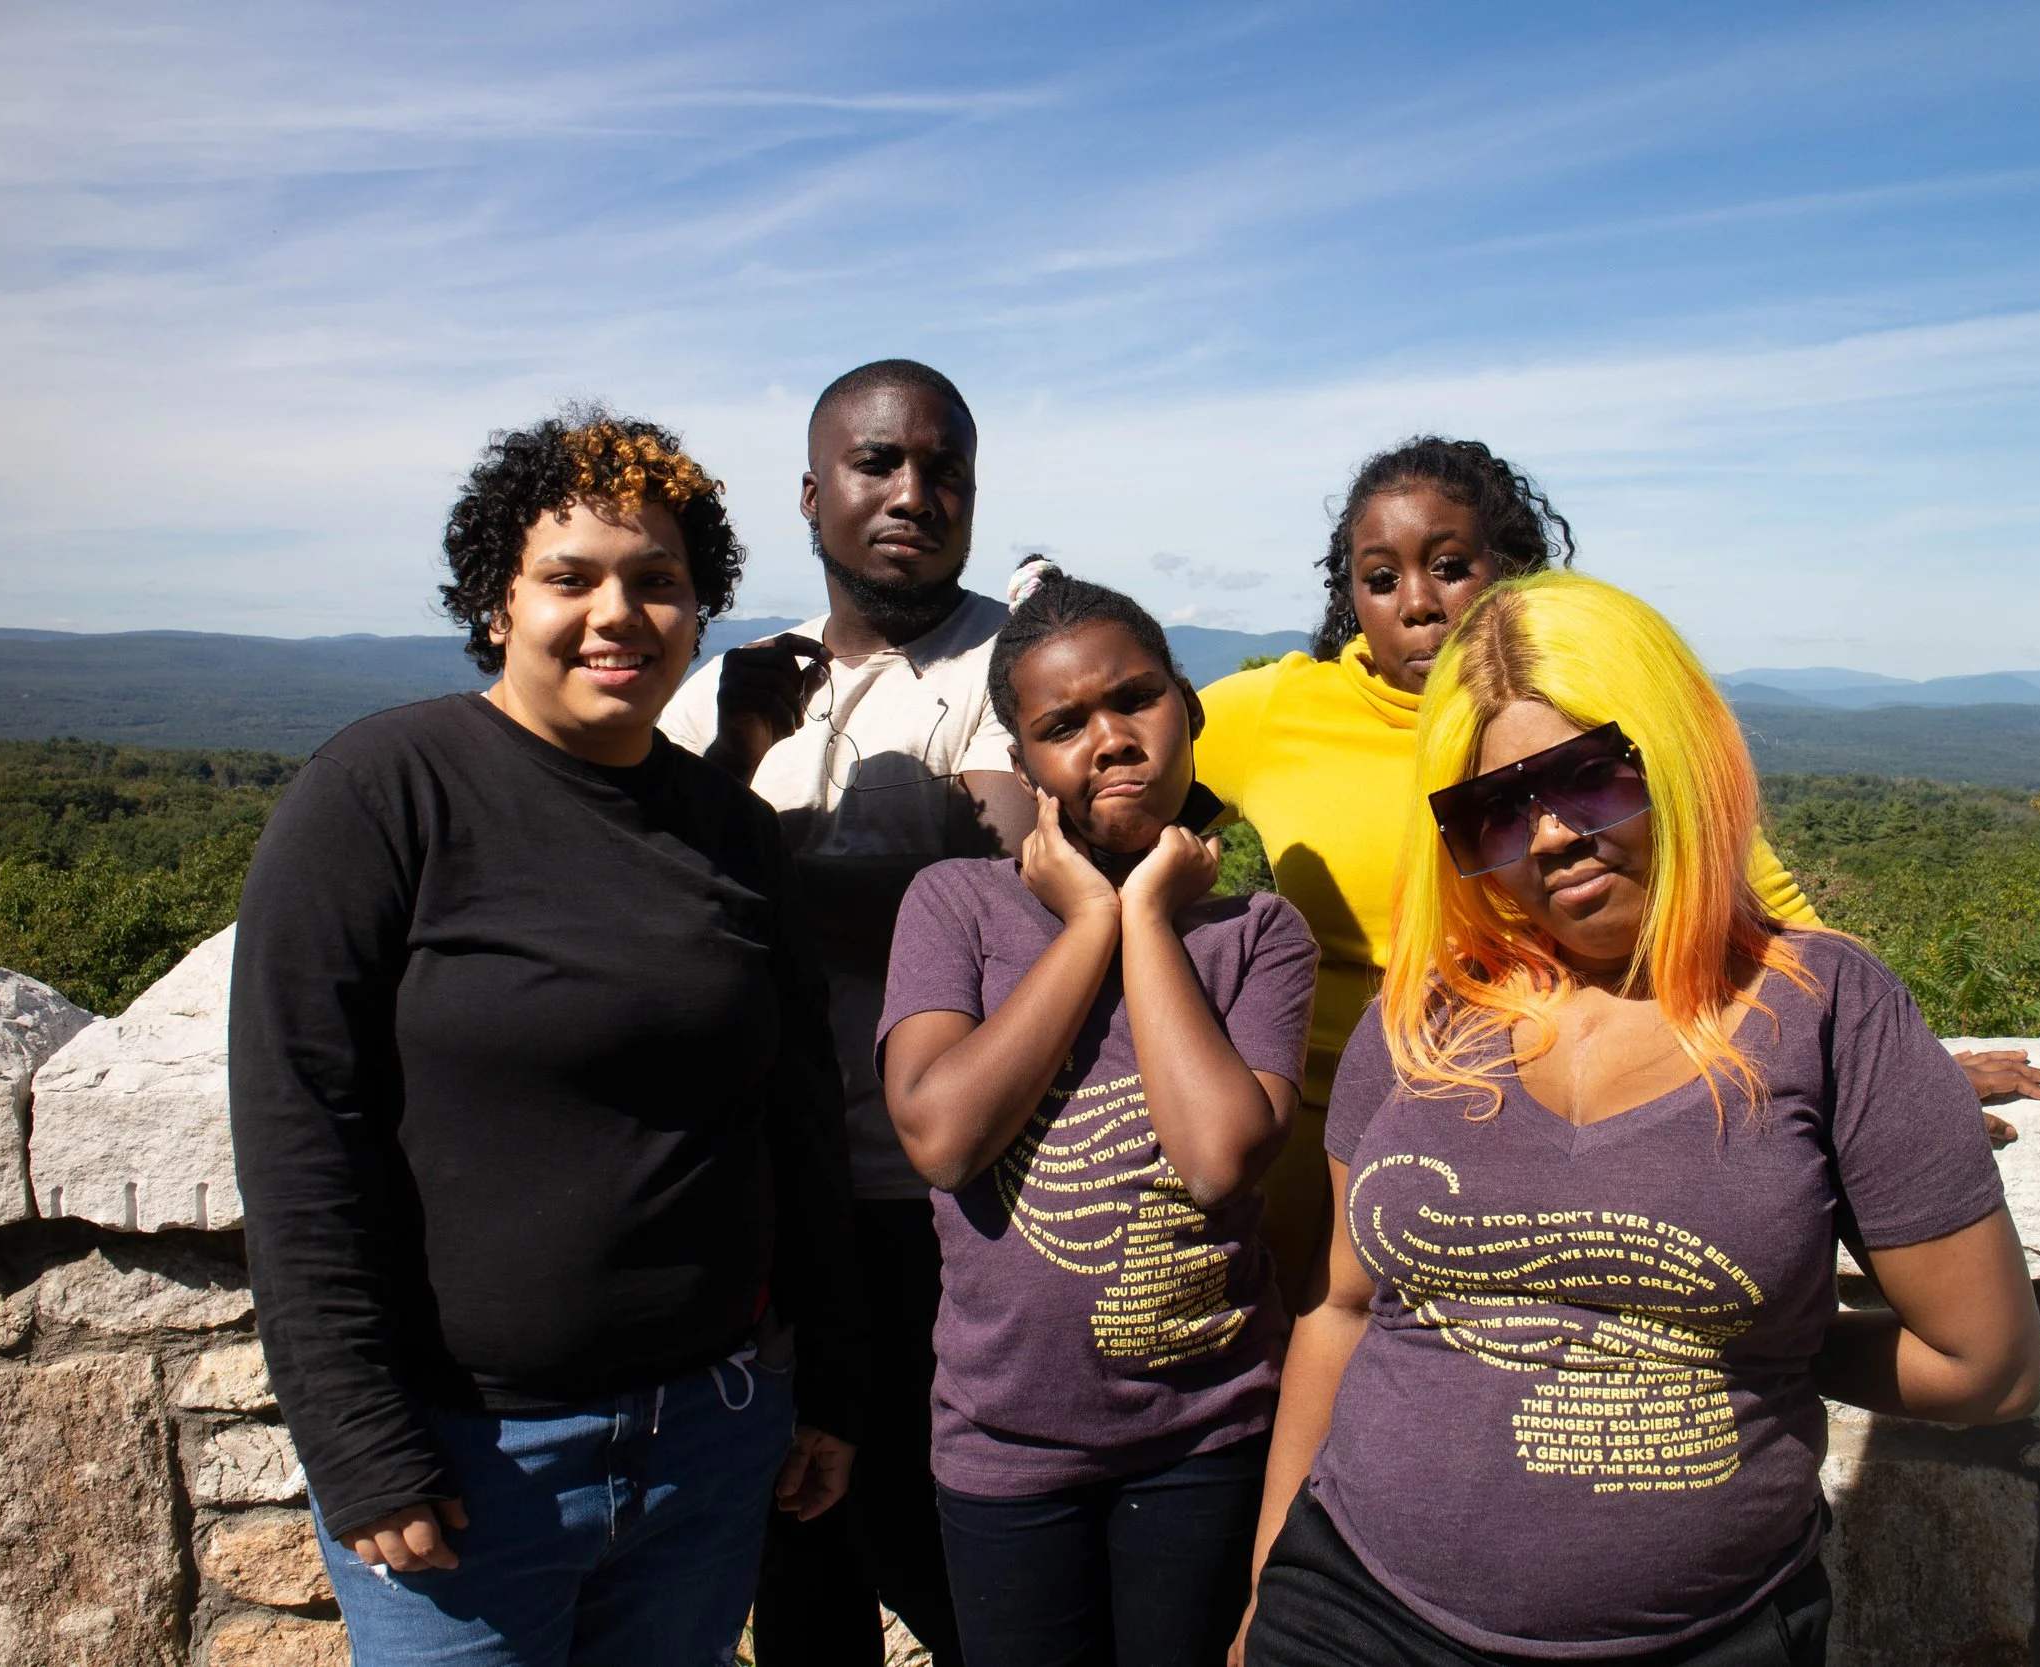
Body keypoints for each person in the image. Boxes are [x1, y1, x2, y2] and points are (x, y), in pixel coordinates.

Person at [1237, 571, 2040, 1667]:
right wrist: (1265, 1584)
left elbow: (1984, 1364)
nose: (1554, 834)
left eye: (1589, 776)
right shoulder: (1422, 1013)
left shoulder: (1825, 1009)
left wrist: (1756, 1341)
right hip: (1348, 1609)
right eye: (1497, 811)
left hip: (1699, 1636)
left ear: (1678, 753)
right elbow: (1339, 1307)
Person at [229, 410, 858, 1664]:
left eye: (659, 581)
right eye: (569, 577)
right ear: (498, 600)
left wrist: (823, 1386)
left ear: (701, 608)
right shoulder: (382, 794)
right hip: (465, 1464)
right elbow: (303, 1138)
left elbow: (795, 1119)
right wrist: (360, 1443)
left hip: (711, 1437)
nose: (617, 613)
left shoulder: (725, 831)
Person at [1194, 437, 2040, 1306]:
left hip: (1526, 1106)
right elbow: (1105, 784)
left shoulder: (1592, 718)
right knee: (1282, 1366)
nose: (1416, 604)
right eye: (1380, 579)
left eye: (1449, 566)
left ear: (1510, 572)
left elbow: (1771, 911)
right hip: (1317, 1120)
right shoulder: (1276, 715)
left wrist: (1891, 1078)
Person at [878, 563, 1321, 1667]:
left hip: (1204, 1435)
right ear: (1023, 760)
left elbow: (1220, 1159)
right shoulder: (954, 905)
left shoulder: (1257, 936)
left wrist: (1148, 922)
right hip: (1002, 1445)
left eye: (1135, 699)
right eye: (1062, 723)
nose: (1109, 737)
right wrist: (1089, 920)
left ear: (1189, 708)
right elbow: (940, 1135)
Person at [662, 359, 1034, 1665]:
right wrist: (731, 789)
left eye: (946, 470)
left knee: (947, 1555)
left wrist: (725, 839)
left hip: (932, 1202)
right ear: (813, 493)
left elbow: (967, 895)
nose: (914, 493)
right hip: (754, 1200)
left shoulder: (1020, 664)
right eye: (880, 463)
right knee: (797, 1564)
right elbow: (645, 908)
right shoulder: (722, 690)